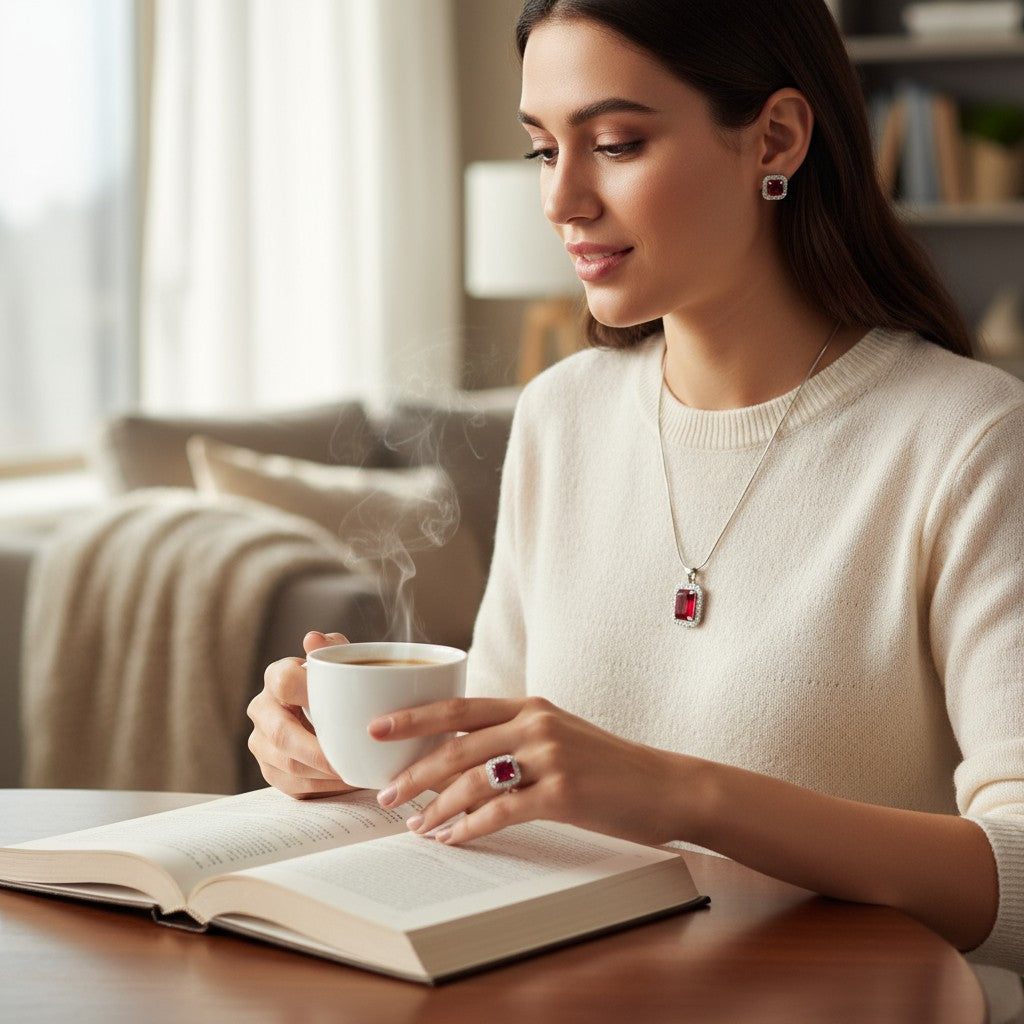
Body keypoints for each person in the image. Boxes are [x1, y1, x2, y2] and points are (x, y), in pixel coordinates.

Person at [247, 0, 1024, 1005]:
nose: (562, 199)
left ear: (775, 139)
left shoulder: (967, 440)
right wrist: (357, 757)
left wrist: (681, 791)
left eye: (615, 143)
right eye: (540, 150)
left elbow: (1018, 877)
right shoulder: (563, 415)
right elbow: (507, 778)